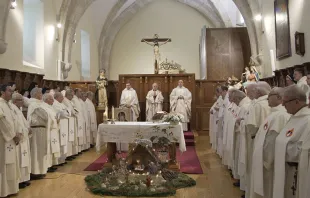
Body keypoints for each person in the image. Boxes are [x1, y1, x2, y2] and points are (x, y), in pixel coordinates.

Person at [250, 87, 290, 198]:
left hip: (268, 164)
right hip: (263, 160)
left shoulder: (281, 115)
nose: (267, 97)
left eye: (270, 95)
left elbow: (272, 141)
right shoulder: (274, 114)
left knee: (268, 190)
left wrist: (265, 161)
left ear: (279, 97)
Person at [273, 85, 310, 198]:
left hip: (296, 172)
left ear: (297, 102)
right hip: (286, 169)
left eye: (286, 101)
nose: (282, 105)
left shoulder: (307, 120)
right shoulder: (294, 117)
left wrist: (282, 147)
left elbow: (304, 150)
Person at [245, 81, 271, 198]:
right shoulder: (270, 103)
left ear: (258, 91)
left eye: (250, 92)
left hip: (256, 140)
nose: (249, 94)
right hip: (267, 142)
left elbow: (251, 126)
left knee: (255, 168)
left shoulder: (258, 105)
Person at [0, 84, 20, 197]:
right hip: (3, 140)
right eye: (9, 91)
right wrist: (13, 135)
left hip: (11, 138)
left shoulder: (10, 105)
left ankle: (11, 188)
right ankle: (3, 190)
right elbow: (3, 122)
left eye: (12, 91)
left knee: (11, 163)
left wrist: (18, 133)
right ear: (2, 92)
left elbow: (15, 121)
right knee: (4, 164)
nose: (11, 93)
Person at [11, 93, 32, 189]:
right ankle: (19, 180)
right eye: (20, 100)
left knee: (24, 158)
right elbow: (15, 124)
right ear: (15, 101)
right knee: (19, 159)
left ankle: (24, 179)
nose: (22, 102)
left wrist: (28, 128)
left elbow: (24, 122)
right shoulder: (12, 109)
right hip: (19, 138)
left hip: (24, 137)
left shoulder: (19, 110)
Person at [209, 86, 223, 151]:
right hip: (215, 117)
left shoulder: (221, 98)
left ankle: (217, 147)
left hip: (218, 117)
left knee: (217, 133)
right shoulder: (219, 98)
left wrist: (213, 110)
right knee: (215, 132)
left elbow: (220, 108)